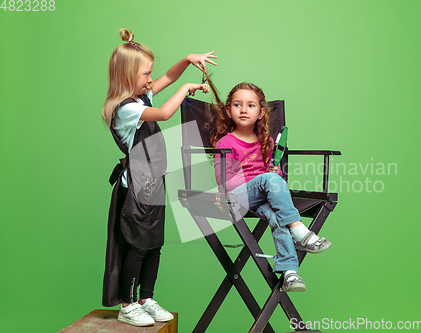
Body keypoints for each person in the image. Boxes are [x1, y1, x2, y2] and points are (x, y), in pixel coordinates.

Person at [101, 28, 216, 327]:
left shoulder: (141, 96)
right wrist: (189, 87)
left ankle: (146, 298)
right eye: (145, 74)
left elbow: (168, 77)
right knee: (137, 246)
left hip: (154, 183)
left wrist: (187, 60)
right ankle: (128, 305)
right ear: (127, 76)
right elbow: (165, 113)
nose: (151, 80)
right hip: (136, 189)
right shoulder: (126, 109)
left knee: (154, 244)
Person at [210, 82, 331, 292]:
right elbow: (224, 182)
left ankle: (289, 273)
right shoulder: (225, 143)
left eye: (250, 105)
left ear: (261, 112)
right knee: (269, 181)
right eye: (238, 105)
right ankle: (300, 231)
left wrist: (274, 175)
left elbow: (276, 177)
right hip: (237, 196)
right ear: (229, 111)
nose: (244, 110)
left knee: (277, 214)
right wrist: (264, 179)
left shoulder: (265, 141)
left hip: (263, 196)